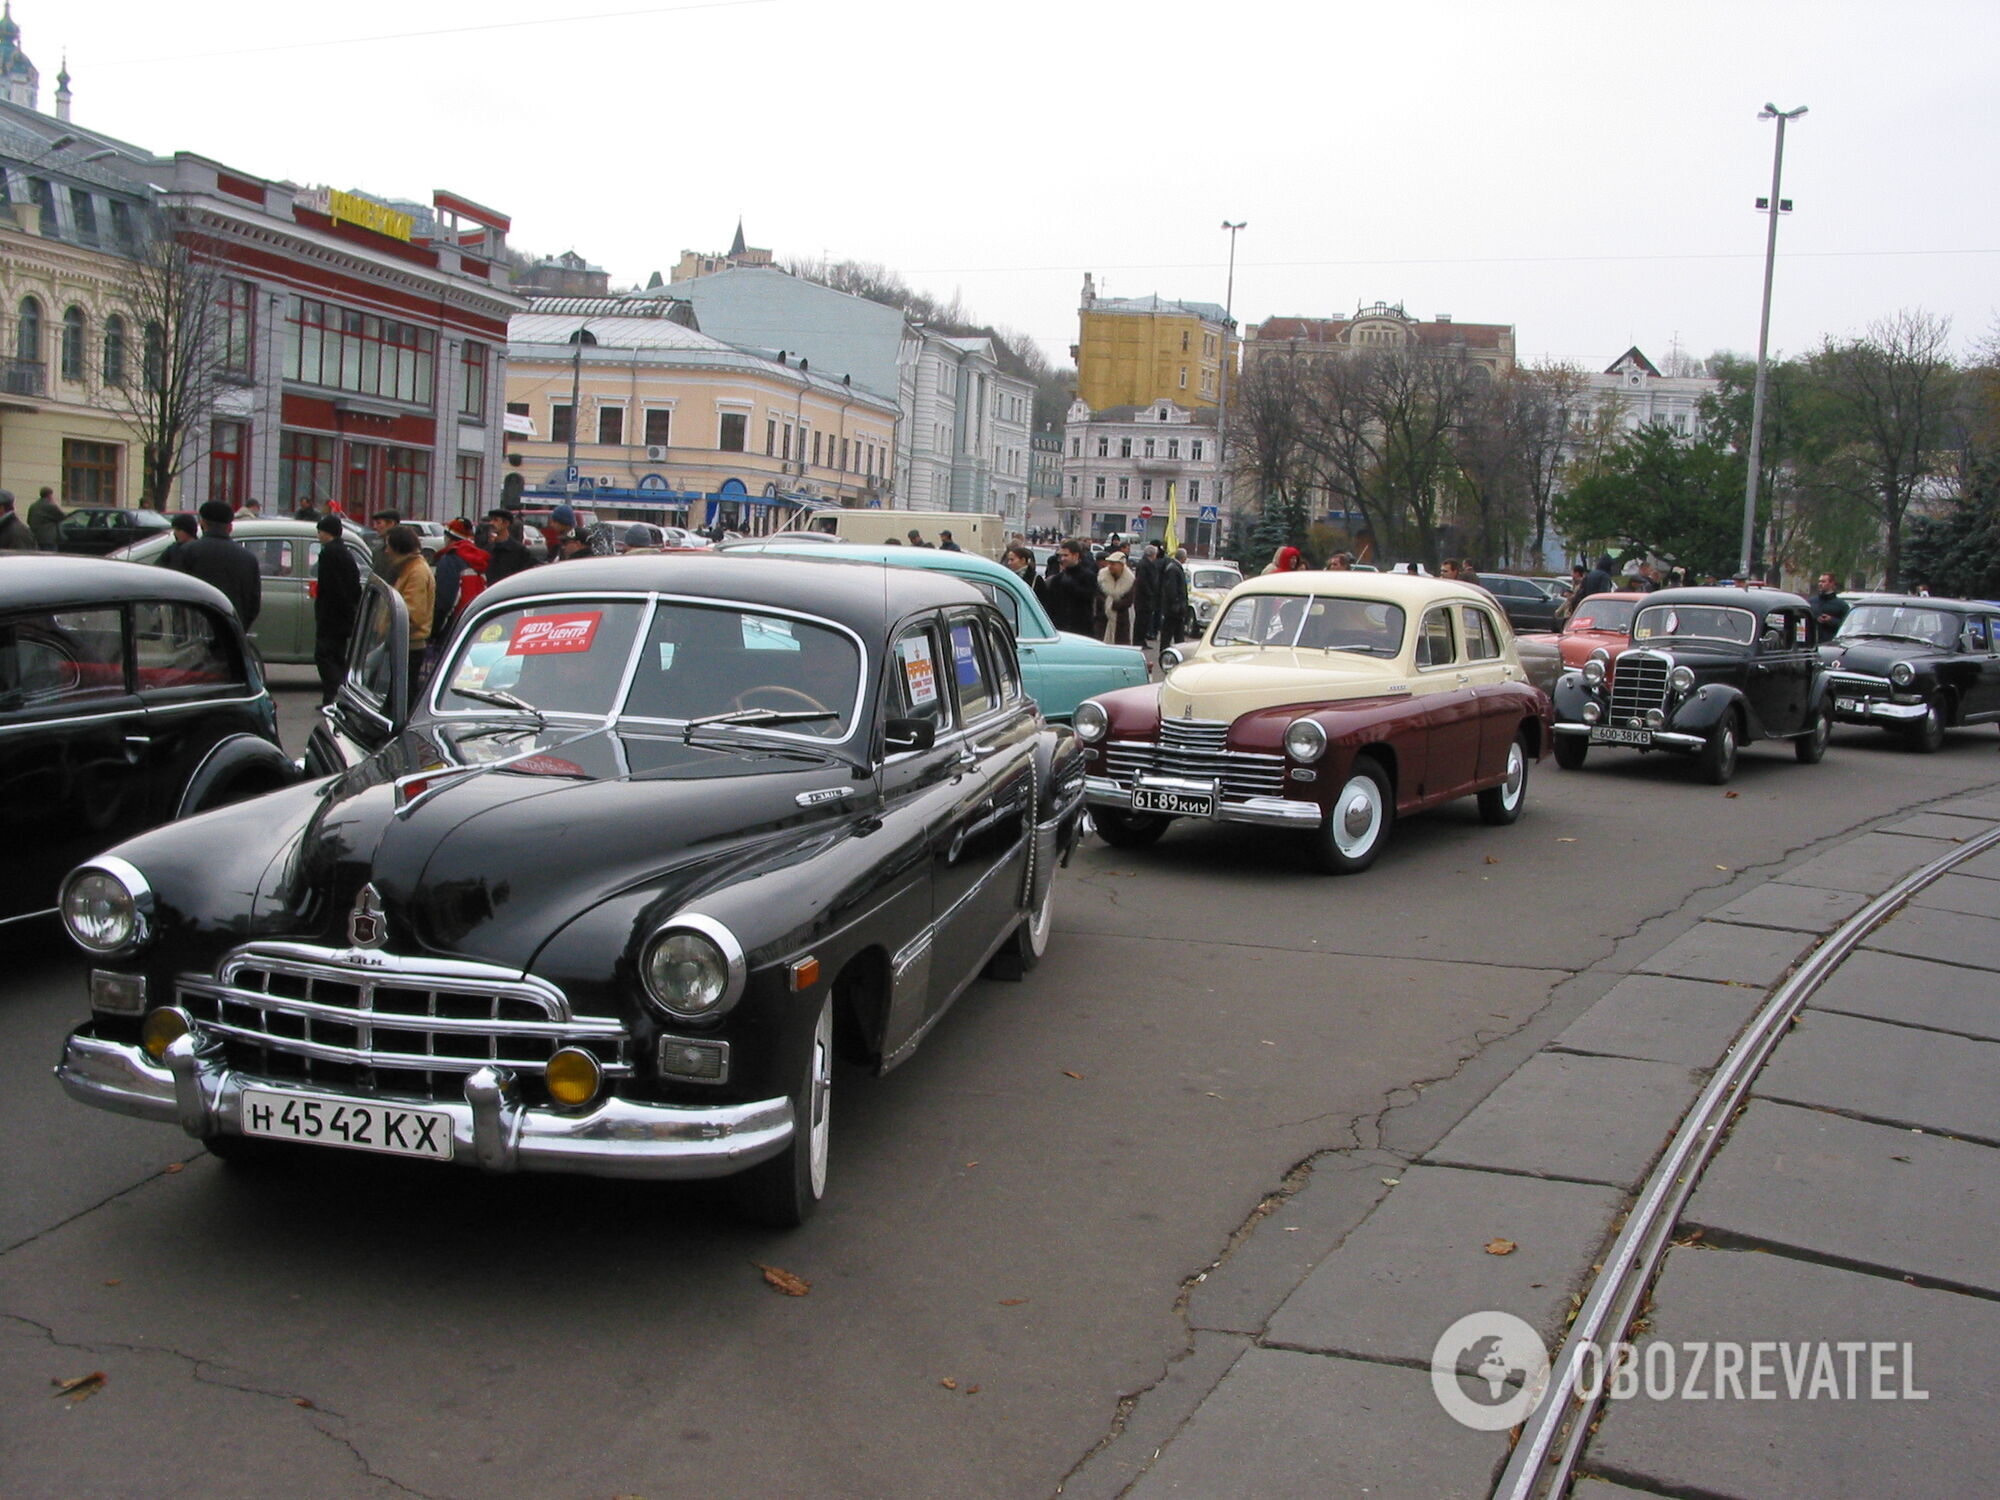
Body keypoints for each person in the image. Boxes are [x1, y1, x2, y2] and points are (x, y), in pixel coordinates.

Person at [176, 500, 262, 627]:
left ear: (202, 524)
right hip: (231, 630)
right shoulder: (248, 558)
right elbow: (253, 604)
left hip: (196, 630)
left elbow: (177, 592)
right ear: (230, 528)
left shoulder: (187, 551)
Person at [312, 514, 361, 705]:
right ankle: (333, 696)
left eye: (320, 531)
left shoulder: (329, 553)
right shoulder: (345, 552)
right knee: (338, 656)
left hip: (331, 615)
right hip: (343, 615)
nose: (318, 535)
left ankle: (334, 694)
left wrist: (324, 611)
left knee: (324, 655)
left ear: (327, 533)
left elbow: (331, 587)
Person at [383, 524, 433, 688]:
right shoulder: (408, 568)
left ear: (398, 548)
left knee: (403, 693)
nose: (386, 551)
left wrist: (389, 630)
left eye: (388, 546)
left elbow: (412, 614)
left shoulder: (416, 572)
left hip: (409, 645)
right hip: (403, 643)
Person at [431, 519, 490, 649]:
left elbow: (445, 602)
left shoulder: (450, 560)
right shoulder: (478, 558)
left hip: (453, 627)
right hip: (476, 623)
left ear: (448, 537)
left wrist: (434, 631)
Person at [1050, 540, 1097, 636]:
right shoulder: (1057, 579)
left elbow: (1089, 597)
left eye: (1066, 555)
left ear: (1076, 556)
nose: (1062, 559)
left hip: (1082, 630)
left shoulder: (1088, 576)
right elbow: (1052, 605)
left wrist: (1072, 586)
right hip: (1060, 629)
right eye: (1061, 556)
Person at [1095, 550, 1139, 645]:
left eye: (1113, 564)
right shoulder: (1102, 578)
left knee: (1121, 645)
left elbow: (1128, 600)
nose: (1110, 566)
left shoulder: (1130, 580)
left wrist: (1113, 605)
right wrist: (1107, 605)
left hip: (1121, 620)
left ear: (1122, 565)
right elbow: (1099, 596)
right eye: (1109, 563)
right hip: (1103, 618)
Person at [484, 509, 535, 584]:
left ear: (506, 523)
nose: (491, 523)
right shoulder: (488, 548)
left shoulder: (519, 551)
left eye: (495, 520)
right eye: (490, 520)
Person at [1158, 546, 1190, 649]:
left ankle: (1179, 650)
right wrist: (1177, 604)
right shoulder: (1173, 569)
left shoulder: (1175, 567)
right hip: (1173, 609)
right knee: (1168, 633)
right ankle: (1164, 651)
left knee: (1179, 633)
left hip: (1176, 609)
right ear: (1183, 557)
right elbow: (1171, 589)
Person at [1134, 542, 1163, 643]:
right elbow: (1142, 581)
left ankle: (1142, 640)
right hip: (1143, 599)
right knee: (1141, 621)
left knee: (1145, 621)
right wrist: (1150, 593)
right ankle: (1138, 641)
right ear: (1152, 554)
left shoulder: (1149, 564)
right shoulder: (1144, 564)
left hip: (1147, 598)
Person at [1811, 572, 1850, 636]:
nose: (1820, 584)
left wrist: (1831, 620)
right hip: (1812, 641)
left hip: (1831, 641)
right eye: (1819, 581)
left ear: (1831, 583)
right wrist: (1816, 618)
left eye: (1823, 582)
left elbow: (1847, 626)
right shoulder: (1811, 602)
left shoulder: (1842, 605)